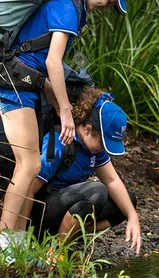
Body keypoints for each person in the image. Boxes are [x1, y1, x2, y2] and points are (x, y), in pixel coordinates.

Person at [0, 0, 131, 262]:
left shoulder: (74, 7)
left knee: (32, 166)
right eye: (109, 0)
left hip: (25, 82)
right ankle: (0, 248)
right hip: (15, 81)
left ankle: (19, 243)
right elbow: (52, 61)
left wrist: (53, 96)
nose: (107, 8)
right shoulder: (69, 6)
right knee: (29, 167)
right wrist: (65, 109)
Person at [29, 88, 141, 252]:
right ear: (88, 130)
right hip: (42, 213)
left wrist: (133, 217)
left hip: (69, 209)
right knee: (97, 191)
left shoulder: (94, 150)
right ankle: (55, 251)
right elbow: (29, 187)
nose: (104, 150)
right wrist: (19, 230)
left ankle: (70, 237)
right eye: (103, 144)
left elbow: (113, 180)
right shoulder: (62, 141)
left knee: (128, 202)